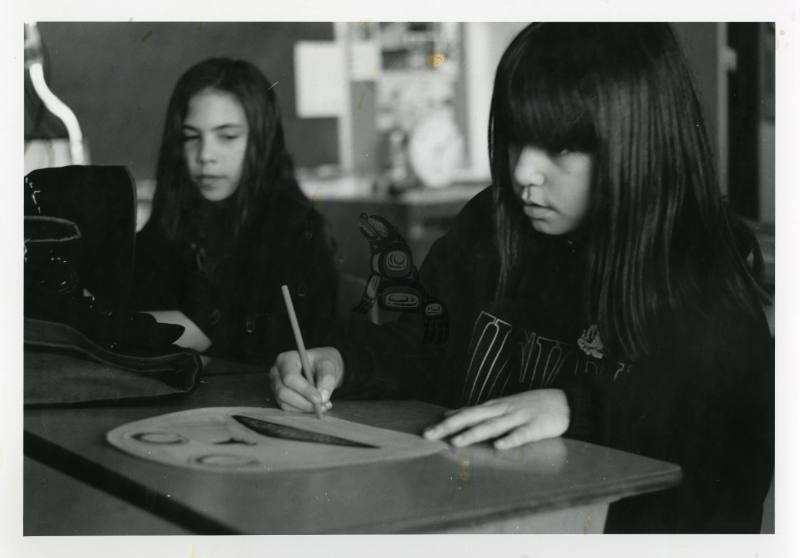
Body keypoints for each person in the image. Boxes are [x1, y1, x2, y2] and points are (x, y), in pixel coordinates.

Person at [268, 23, 774, 533]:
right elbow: (418, 345)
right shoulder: (491, 224)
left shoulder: (704, 278)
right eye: (516, 139)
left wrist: (577, 408)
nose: (523, 173)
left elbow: (713, 438)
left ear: (638, 143)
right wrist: (341, 362)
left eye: (559, 148)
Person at [133, 57, 339, 365]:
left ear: (261, 140)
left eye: (227, 137)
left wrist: (204, 341)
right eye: (191, 137)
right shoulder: (172, 217)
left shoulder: (297, 230)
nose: (205, 156)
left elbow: (298, 350)